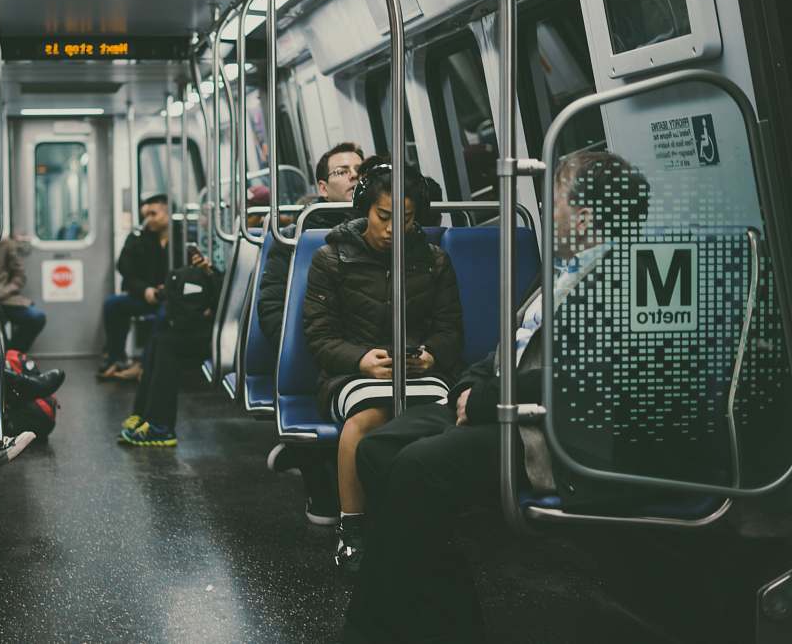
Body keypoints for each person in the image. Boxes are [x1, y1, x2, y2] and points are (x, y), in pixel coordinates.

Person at [344, 152, 651, 642]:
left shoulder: (628, 279)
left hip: (549, 432)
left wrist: (486, 400)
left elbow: (585, 376)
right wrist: (470, 386)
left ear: (588, 216)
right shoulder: (561, 269)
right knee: (378, 449)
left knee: (419, 467)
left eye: (556, 202)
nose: (550, 213)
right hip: (500, 405)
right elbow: (512, 344)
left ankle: (369, 630)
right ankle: (451, 611)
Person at [302, 159, 464, 573]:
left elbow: (449, 329)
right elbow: (319, 337)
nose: (393, 228)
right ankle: (352, 528)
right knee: (371, 415)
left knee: (440, 418)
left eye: (405, 219)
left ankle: (427, 527)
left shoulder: (434, 261)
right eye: (384, 217)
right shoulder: (331, 259)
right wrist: (360, 359)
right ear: (365, 211)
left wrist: (432, 355)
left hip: (418, 370)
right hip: (351, 371)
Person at [260, 142, 365, 527]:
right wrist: (304, 350)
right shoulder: (295, 239)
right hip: (314, 349)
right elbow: (273, 310)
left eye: (360, 169)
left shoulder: (389, 231)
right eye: (342, 171)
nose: (354, 175)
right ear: (323, 187)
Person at [118, 244, 222, 446]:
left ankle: (161, 427)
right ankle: (144, 415)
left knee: (168, 344)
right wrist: (208, 273)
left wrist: (211, 276)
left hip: (219, 329)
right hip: (212, 322)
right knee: (159, 338)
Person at [99, 193, 174, 380]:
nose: (148, 220)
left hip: (173, 299)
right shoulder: (139, 237)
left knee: (164, 314)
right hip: (148, 296)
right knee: (113, 304)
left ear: (168, 212)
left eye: (153, 214)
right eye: (145, 215)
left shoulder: (182, 238)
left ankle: (145, 365)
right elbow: (124, 268)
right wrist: (145, 290)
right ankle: (116, 359)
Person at [0, 234, 47, 352]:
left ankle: (13, 356)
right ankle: (3, 358)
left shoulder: (5, 244)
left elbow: (20, 276)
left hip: (5, 298)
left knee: (36, 318)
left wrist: (5, 291)